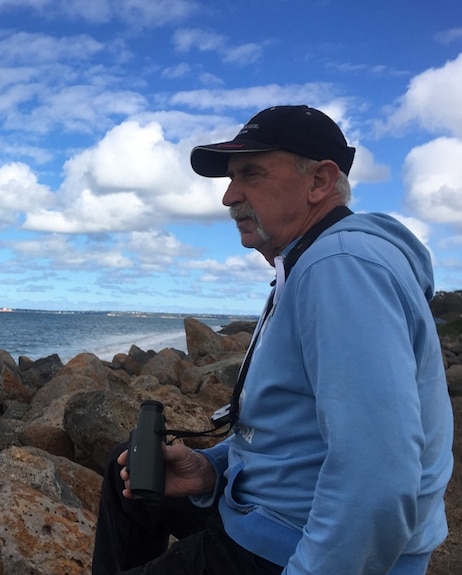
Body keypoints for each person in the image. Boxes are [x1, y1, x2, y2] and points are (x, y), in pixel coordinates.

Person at [91, 105, 454, 575]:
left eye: (251, 174)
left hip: (292, 545)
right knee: (128, 477)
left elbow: (378, 477)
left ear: (319, 182)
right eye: (230, 177)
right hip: (270, 517)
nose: (229, 196)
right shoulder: (308, 262)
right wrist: (212, 471)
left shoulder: (339, 268)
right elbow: (297, 431)